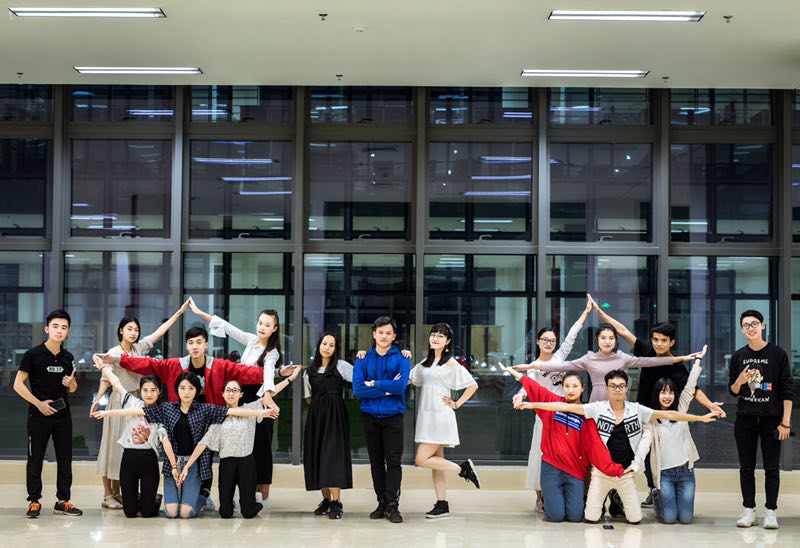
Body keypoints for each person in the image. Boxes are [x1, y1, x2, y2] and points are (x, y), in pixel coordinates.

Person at [99, 325, 267, 510]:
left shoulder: (219, 365)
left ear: (206, 344)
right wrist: (117, 359)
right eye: (191, 343)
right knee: (178, 456)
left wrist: (274, 374)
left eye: (199, 342)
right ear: (187, 345)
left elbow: (245, 372)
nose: (195, 346)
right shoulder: (175, 365)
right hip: (180, 420)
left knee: (205, 460)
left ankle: (203, 494)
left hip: (206, 419)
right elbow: (148, 364)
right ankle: (179, 494)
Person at [524, 366, 719, 525]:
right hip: (601, 471)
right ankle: (602, 500)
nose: (617, 389)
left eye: (621, 386)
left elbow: (669, 414)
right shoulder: (597, 408)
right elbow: (564, 406)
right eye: (613, 386)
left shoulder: (637, 410)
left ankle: (619, 500)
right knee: (590, 517)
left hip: (625, 472)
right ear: (607, 388)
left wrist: (700, 418)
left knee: (635, 519)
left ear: (626, 388)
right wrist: (533, 405)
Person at [593, 300, 725, 506]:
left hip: (662, 417)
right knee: (632, 452)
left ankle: (657, 489)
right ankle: (631, 491)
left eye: (664, 340)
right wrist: (602, 314)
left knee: (656, 454)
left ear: (672, 342)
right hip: (640, 413)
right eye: (655, 339)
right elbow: (623, 331)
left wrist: (710, 405)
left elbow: (693, 389)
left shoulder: (677, 367)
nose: (659, 344)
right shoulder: (647, 350)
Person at [92, 372, 273, 519]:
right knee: (171, 513)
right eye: (182, 388)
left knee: (186, 514)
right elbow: (138, 411)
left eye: (191, 388)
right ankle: (167, 497)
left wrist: (262, 413)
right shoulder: (167, 409)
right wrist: (108, 412)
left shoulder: (204, 409)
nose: (186, 392)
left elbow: (232, 410)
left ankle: (202, 496)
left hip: (193, 464)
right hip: (172, 463)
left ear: (196, 391)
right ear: (177, 389)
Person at [188, 300, 300, 505]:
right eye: (260, 323)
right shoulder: (251, 340)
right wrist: (199, 312)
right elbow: (227, 327)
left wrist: (268, 394)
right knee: (239, 441)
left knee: (259, 444)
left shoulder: (272, 352)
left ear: (275, 329)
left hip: (259, 397)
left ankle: (257, 488)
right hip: (242, 396)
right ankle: (241, 489)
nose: (262, 327)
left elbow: (267, 372)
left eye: (267, 325)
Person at [93, 301, 189, 510]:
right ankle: (107, 494)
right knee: (112, 446)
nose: (133, 333)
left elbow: (160, 332)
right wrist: (97, 400)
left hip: (141, 399)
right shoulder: (113, 351)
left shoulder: (139, 347)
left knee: (127, 449)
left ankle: (119, 493)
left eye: (136, 329)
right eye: (129, 329)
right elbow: (106, 379)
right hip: (121, 399)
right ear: (121, 330)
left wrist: (179, 313)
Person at [501, 363, 625, 523]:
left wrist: (615, 470)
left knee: (575, 517)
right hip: (551, 468)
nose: (571, 390)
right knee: (556, 516)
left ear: (582, 388)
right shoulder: (552, 402)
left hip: (574, 471)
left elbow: (596, 446)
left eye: (575, 386)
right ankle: (550, 499)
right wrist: (512, 372)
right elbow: (534, 386)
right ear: (562, 388)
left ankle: (561, 499)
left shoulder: (586, 414)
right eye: (567, 386)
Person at [513, 294, 593, 513]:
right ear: (538, 342)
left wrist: (586, 313)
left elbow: (572, 336)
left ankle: (567, 492)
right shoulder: (533, 365)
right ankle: (540, 496)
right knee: (540, 455)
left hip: (566, 415)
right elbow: (527, 386)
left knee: (567, 454)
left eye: (552, 340)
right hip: (545, 417)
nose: (549, 343)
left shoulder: (559, 359)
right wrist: (520, 396)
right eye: (545, 340)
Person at [180, 375, 296, 519]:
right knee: (225, 513)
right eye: (228, 390)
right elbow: (203, 443)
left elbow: (270, 394)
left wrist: (290, 379)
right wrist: (187, 466)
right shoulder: (218, 417)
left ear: (241, 394)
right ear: (223, 394)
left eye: (235, 390)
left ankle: (252, 503)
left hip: (246, 463)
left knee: (248, 512)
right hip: (227, 464)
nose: (231, 393)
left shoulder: (250, 409)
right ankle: (232, 503)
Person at [519, 323, 701, 402]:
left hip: (619, 401)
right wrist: (532, 366)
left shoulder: (622, 357)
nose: (607, 341)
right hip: (596, 402)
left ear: (615, 340)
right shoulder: (588, 358)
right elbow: (561, 366)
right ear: (597, 340)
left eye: (611, 338)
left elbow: (649, 361)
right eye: (603, 338)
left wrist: (681, 358)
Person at [729, 310, 794, 530]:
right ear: (742, 329)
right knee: (746, 468)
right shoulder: (738, 356)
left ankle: (771, 512)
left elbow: (787, 390)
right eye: (746, 325)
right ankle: (749, 510)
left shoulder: (777, 354)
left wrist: (785, 422)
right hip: (745, 419)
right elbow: (733, 391)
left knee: (771, 468)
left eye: (754, 323)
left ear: (762, 326)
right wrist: (740, 380)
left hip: (771, 419)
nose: (750, 328)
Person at [14, 309, 82, 518]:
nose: (59, 331)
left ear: (68, 332)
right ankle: (34, 501)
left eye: (64, 327)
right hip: (38, 415)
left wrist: (71, 383)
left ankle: (63, 501)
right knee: (35, 458)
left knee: (65, 458)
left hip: (63, 415)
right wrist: (38, 404)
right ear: (47, 329)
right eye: (55, 326)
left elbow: (73, 388)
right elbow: (18, 384)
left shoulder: (68, 357)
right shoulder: (32, 355)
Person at [92, 355, 177, 518]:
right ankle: (140, 498)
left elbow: (165, 442)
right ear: (140, 391)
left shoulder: (162, 412)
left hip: (149, 461)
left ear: (159, 392)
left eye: (153, 390)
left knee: (147, 512)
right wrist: (103, 367)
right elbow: (116, 383)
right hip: (129, 459)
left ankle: (151, 499)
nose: (149, 394)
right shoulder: (132, 402)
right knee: (130, 512)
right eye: (145, 390)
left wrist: (173, 466)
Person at [409, 323, 480, 519]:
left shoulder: (451, 363)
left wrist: (457, 403)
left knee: (421, 459)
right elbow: (409, 379)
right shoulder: (425, 363)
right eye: (433, 334)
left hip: (440, 415)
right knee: (436, 463)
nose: (435, 338)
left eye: (441, 336)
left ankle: (462, 469)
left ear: (448, 341)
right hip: (427, 415)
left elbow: (472, 385)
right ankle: (442, 504)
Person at [352, 316, 412, 524]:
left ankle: (392, 504)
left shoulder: (403, 359)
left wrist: (374, 384)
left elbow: (400, 386)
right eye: (380, 332)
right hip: (370, 417)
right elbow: (358, 389)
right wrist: (386, 389)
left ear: (394, 336)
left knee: (393, 462)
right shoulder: (362, 359)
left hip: (393, 417)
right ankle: (382, 502)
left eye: (388, 333)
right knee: (376, 462)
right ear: (374, 334)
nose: (384, 336)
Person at [303, 332, 354, 520]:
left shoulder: (342, 366)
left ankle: (336, 502)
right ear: (319, 345)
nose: (327, 347)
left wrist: (364, 357)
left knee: (332, 457)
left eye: (331, 345)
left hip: (335, 417)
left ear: (335, 349)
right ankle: (326, 500)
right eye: (324, 343)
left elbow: (360, 378)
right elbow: (308, 398)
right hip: (316, 417)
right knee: (317, 456)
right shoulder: (309, 371)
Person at [649, 355, 704, 524]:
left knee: (686, 519)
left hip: (685, 472)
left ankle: (672, 501)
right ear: (657, 395)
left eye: (670, 392)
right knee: (669, 519)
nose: (667, 396)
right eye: (663, 392)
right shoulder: (651, 418)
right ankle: (656, 497)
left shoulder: (680, 410)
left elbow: (689, 388)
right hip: (665, 474)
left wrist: (697, 361)